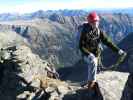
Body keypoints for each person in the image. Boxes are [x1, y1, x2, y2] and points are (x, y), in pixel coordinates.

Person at [78, 11, 127, 90]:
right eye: (94, 22)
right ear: (90, 23)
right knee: (93, 62)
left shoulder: (98, 31)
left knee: (93, 65)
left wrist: (118, 50)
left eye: (97, 22)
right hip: (86, 54)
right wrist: (89, 54)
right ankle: (91, 84)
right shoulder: (84, 32)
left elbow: (108, 42)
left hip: (96, 53)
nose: (96, 24)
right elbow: (81, 46)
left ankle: (89, 81)